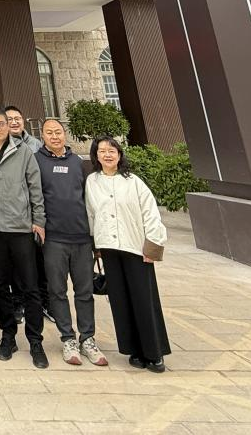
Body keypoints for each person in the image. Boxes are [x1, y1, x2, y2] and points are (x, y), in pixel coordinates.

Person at [0, 106, 49, 369]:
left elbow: (35, 187)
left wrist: (38, 220)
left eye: (2, 123)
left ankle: (35, 341)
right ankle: (8, 336)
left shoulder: (23, 151)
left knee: (30, 285)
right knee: (1, 284)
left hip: (21, 227)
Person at [85, 135, 170, 373]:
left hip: (135, 248)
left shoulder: (133, 181)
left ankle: (154, 352)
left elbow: (150, 213)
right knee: (120, 301)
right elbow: (91, 213)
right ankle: (133, 350)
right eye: (102, 151)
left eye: (112, 150)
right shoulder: (92, 181)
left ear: (119, 154)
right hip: (109, 249)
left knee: (144, 300)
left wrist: (152, 247)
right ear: (96, 156)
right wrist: (95, 245)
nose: (107, 154)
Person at [37, 118, 108, 367]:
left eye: (58, 132)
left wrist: (95, 239)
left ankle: (87, 338)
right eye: (49, 133)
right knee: (57, 291)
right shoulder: (36, 161)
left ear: (64, 134)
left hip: (81, 238)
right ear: (42, 136)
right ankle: (68, 338)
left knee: (84, 292)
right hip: (53, 238)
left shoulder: (78, 163)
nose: (55, 136)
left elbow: (91, 200)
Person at [4, 104, 47, 326]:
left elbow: (39, 182)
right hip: (13, 215)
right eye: (9, 119)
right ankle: (18, 301)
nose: (14, 122)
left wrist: (39, 216)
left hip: (34, 213)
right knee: (15, 264)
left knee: (38, 262)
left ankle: (42, 303)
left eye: (17, 118)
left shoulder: (36, 145)